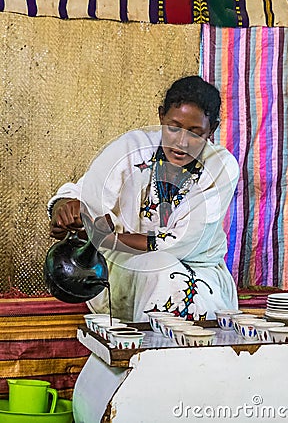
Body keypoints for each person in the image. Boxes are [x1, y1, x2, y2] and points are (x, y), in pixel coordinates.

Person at [48, 76, 240, 322]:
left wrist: (108, 239)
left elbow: (179, 242)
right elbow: (84, 193)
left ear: (211, 130)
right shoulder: (133, 147)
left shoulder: (221, 166)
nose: (181, 143)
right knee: (156, 269)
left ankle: (158, 355)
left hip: (200, 274)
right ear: (161, 117)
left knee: (163, 269)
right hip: (125, 273)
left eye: (195, 133)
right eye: (173, 127)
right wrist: (66, 209)